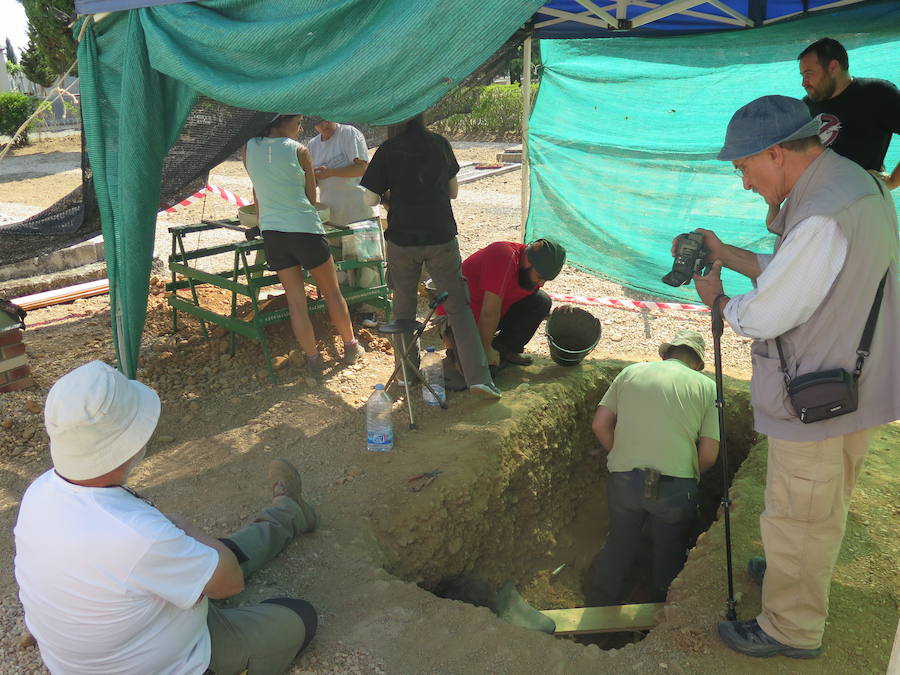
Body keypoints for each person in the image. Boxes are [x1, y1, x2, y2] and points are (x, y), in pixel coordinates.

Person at [691, 95, 900, 659]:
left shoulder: (822, 216)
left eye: (744, 168)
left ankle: (790, 628)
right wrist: (726, 253)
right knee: (818, 508)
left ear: (776, 152)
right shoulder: (854, 185)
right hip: (855, 384)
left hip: (821, 397)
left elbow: (766, 311)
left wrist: (719, 301)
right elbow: (801, 274)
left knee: (799, 514)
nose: (744, 183)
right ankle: (794, 576)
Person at [14, 360, 319, 674]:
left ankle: (288, 514)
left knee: (197, 558)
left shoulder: (40, 491)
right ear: (128, 444)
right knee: (299, 615)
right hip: (184, 659)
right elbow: (230, 582)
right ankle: (287, 515)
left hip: (86, 658)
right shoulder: (138, 536)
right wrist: (185, 526)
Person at [359, 114, 501, 399]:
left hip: (402, 240)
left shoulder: (388, 150)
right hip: (440, 237)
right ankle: (479, 378)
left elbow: (368, 200)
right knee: (458, 308)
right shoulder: (439, 144)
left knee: (403, 310)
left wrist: (392, 198)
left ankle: (407, 375)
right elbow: (453, 192)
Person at [588, 330, 719, 605]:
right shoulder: (707, 387)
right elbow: (708, 455)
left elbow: (600, 425)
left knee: (619, 543)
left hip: (623, 480)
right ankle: (660, 617)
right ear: (697, 364)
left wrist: (623, 456)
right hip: (675, 487)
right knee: (669, 552)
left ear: (665, 354)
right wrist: (688, 474)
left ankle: (599, 604)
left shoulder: (630, 373)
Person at [243, 114, 364, 378]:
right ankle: (350, 346)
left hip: (273, 233)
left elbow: (257, 190)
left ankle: (312, 359)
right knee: (332, 292)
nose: (300, 129)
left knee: (296, 302)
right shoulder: (299, 150)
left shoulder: (249, 147)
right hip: (305, 229)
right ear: (284, 123)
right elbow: (311, 197)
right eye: (297, 124)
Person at [448, 238, 566, 371]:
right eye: (540, 277)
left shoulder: (526, 272)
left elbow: (526, 305)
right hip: (460, 318)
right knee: (479, 371)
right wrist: (484, 353)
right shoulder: (503, 255)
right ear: (528, 261)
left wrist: (557, 316)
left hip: (489, 313)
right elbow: (489, 313)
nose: (541, 283)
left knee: (541, 301)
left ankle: (504, 349)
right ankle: (458, 350)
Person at [799, 37, 900, 190]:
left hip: (862, 201)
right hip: (819, 200)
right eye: (802, 76)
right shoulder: (805, 106)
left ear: (833, 67)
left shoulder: (876, 94)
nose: (804, 83)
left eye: (808, 74)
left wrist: (893, 180)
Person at [308, 119, 375, 226]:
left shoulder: (349, 133)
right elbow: (313, 182)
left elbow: (363, 168)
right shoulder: (312, 145)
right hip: (330, 213)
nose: (325, 124)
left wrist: (331, 172)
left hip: (358, 212)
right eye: (319, 122)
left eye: (326, 119)